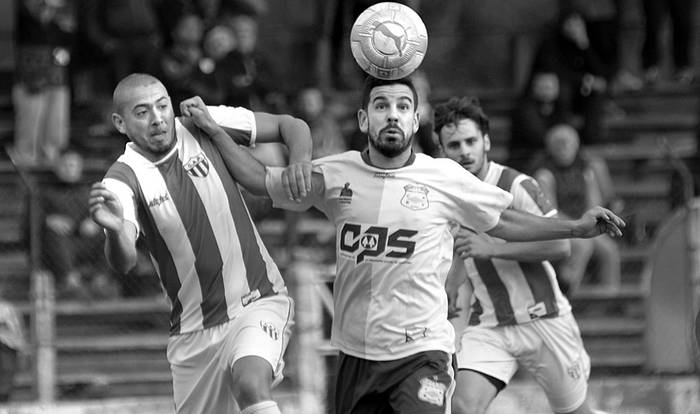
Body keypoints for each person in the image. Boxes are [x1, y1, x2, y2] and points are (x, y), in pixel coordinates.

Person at [205, 75, 625, 414]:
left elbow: (506, 220)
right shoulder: (334, 174)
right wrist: (215, 133)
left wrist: (574, 228)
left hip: (423, 352)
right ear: (364, 119)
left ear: (415, 119)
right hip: (355, 354)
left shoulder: (444, 177)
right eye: (382, 106)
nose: (392, 115)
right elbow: (261, 180)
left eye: (403, 107)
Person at [87, 73, 313, 414]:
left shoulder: (202, 123)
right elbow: (124, 262)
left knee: (251, 384)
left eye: (162, 106)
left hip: (257, 300)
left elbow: (291, 126)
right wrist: (118, 231)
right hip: (193, 333)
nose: (157, 118)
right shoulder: (122, 178)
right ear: (120, 122)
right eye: (142, 112)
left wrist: (300, 162)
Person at [435, 96, 605, 414]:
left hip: (544, 318)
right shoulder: (450, 194)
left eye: (471, 141)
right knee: (461, 407)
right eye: (454, 145)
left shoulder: (516, 185)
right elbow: (463, 247)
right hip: (489, 324)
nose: (465, 151)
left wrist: (494, 248)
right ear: (443, 151)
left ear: (486, 141)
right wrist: (452, 286)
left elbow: (560, 246)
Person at [533, 123, 622, 295]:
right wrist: (577, 226)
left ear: (576, 145)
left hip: (584, 225)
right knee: (582, 247)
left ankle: (610, 299)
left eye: (568, 143)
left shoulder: (585, 171)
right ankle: (570, 296)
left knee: (609, 250)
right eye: (559, 144)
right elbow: (550, 212)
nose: (564, 148)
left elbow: (594, 203)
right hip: (560, 227)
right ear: (551, 148)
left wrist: (586, 224)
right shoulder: (544, 174)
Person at [41, 149, 117, 300]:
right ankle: (70, 282)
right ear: (57, 167)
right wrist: (47, 220)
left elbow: (106, 212)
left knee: (108, 230)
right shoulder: (43, 192)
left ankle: (101, 281)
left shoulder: (90, 191)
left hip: (86, 243)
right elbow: (30, 223)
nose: (69, 169)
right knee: (54, 233)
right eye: (65, 165)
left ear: (80, 168)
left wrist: (95, 221)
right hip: (57, 247)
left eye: (73, 165)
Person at [12, 0, 76, 167]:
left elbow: (69, 37)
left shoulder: (60, 13)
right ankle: (26, 159)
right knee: (31, 113)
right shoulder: (21, 11)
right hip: (30, 69)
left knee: (56, 116)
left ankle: (51, 157)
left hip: (56, 72)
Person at [0, 294, 26, 403]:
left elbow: (16, 330)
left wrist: (21, 346)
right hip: (7, 344)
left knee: (7, 369)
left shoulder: (7, 308)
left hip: (7, 344)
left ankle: (3, 397)